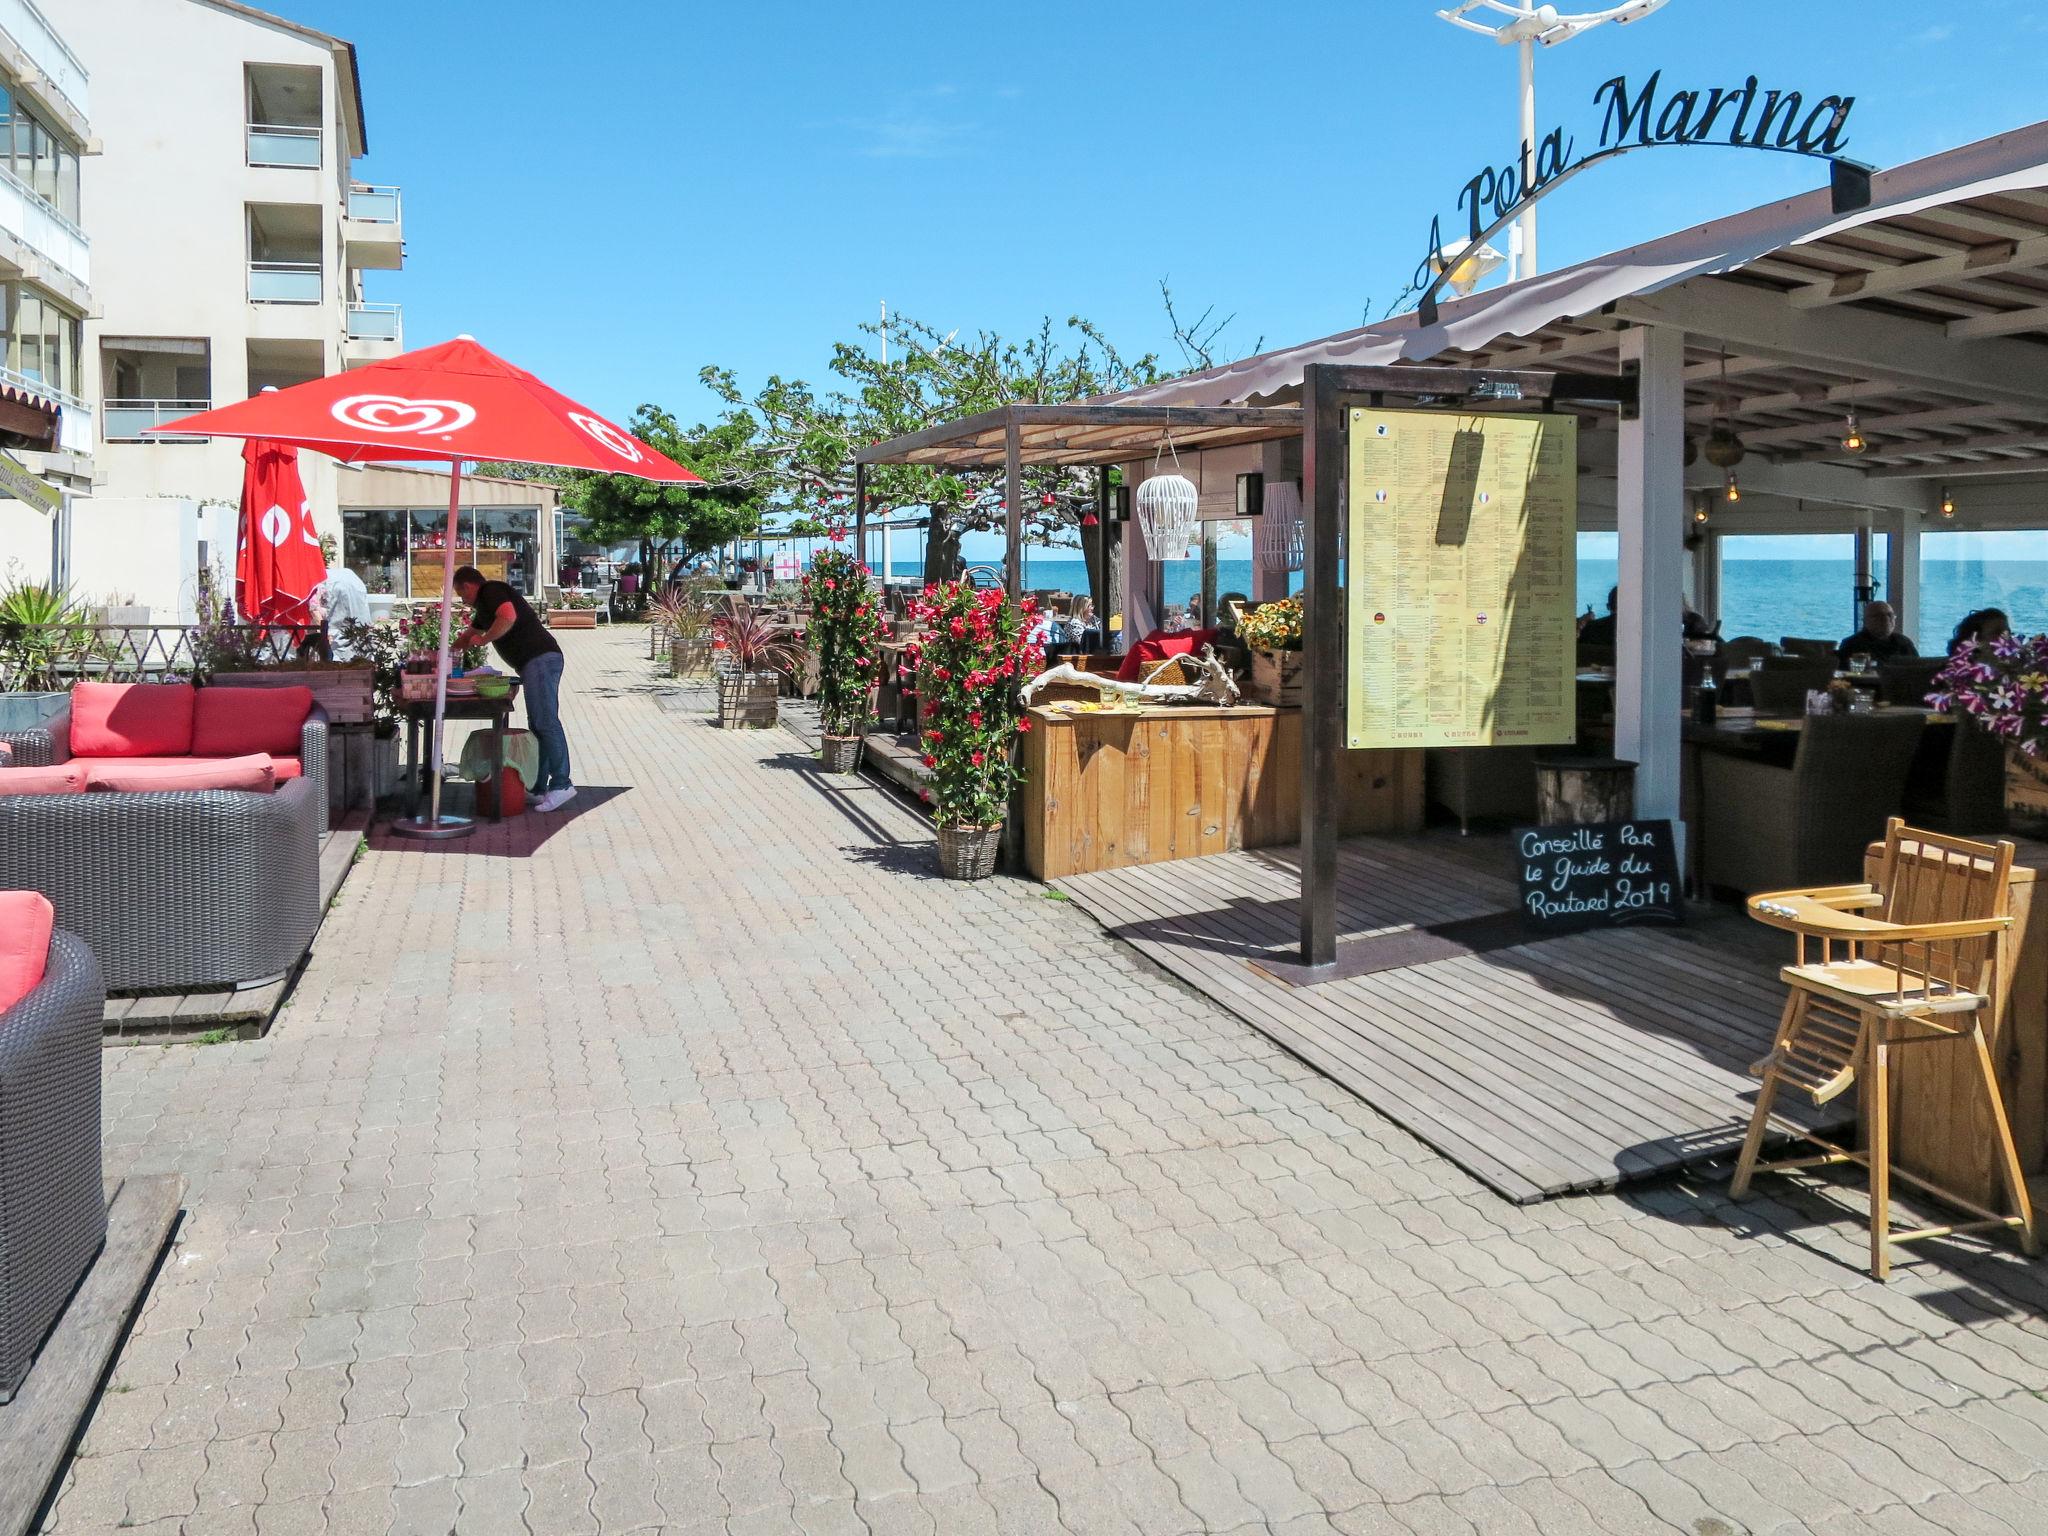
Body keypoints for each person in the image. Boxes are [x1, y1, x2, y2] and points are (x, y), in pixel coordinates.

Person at [450, 565, 575, 812]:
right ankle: (539, 788)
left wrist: (484, 640)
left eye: (461, 594)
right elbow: (468, 636)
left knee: (546, 722)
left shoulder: (491, 590)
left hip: (539, 659)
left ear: (468, 585)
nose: (463, 601)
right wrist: (446, 654)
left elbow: (508, 616)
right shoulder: (484, 608)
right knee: (539, 725)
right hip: (534, 663)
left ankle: (562, 785)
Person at [1837, 600, 1917, 668]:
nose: (1886, 619)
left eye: (1890, 615)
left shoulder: (1904, 642)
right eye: (1879, 616)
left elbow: (1918, 668)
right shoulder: (1852, 644)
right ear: (1865, 621)